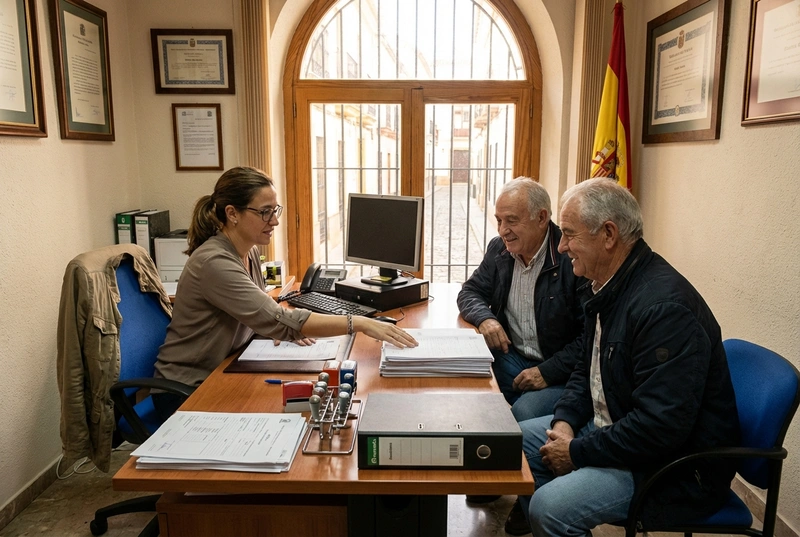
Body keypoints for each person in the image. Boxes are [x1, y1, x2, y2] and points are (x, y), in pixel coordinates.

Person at [514, 178, 740, 537]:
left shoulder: (664, 309)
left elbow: (659, 429)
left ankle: (556, 519)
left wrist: (578, 451)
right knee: (514, 442)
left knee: (550, 509)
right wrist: (565, 422)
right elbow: (586, 372)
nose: (561, 245)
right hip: (615, 431)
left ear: (608, 234)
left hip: (668, 468)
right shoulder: (605, 285)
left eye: (569, 234)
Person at [152, 167, 417, 420]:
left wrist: (275, 328)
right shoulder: (213, 262)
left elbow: (261, 313)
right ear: (232, 213)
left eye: (275, 210)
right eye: (265, 212)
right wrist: (358, 322)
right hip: (187, 389)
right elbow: (278, 317)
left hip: (225, 366)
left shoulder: (248, 251)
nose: (275, 221)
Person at [457, 177, 585, 514]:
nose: (503, 230)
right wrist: (486, 319)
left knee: (524, 412)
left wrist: (546, 372)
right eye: (499, 220)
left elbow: (591, 340)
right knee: (473, 389)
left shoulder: (572, 260)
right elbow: (469, 292)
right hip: (513, 356)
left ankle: (529, 498)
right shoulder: (500, 250)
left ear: (542, 218)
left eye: (512, 220)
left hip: (561, 371)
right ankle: (493, 475)